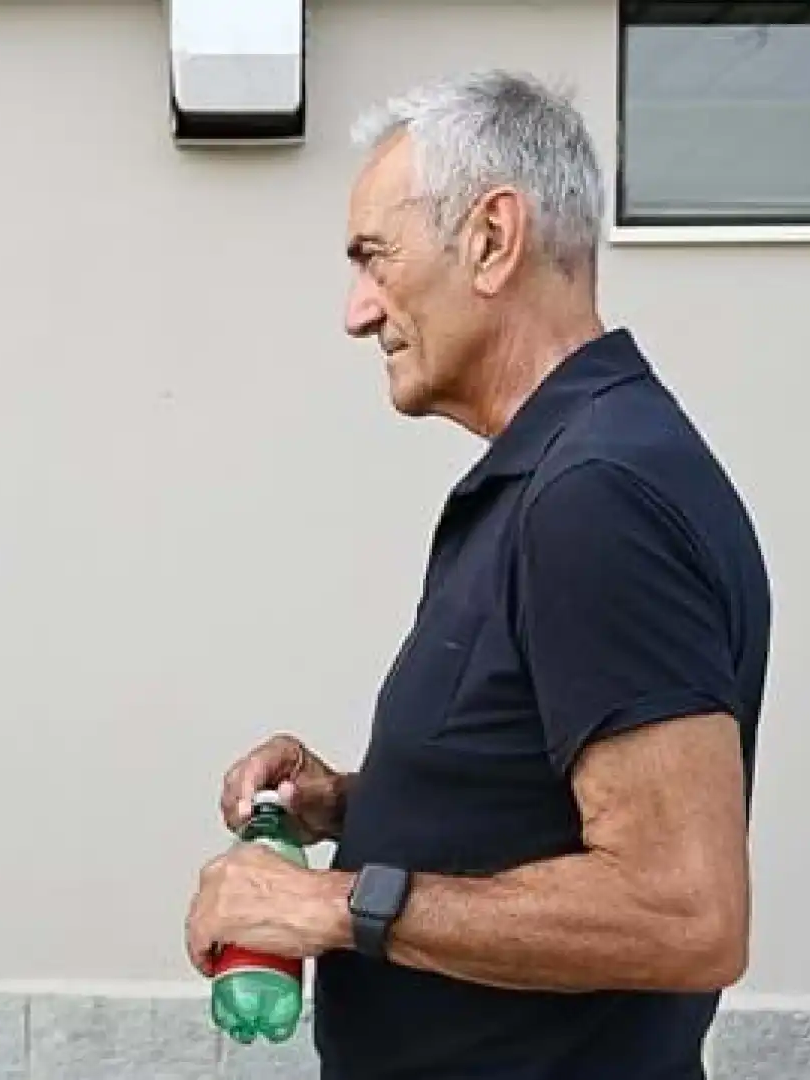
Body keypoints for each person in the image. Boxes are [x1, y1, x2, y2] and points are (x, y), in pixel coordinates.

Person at [184, 71, 769, 1080]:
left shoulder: (598, 498)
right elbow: (544, 796)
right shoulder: (563, 470)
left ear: (493, 239)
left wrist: (330, 903)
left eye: (374, 258)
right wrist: (354, 806)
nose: (357, 312)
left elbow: (684, 912)